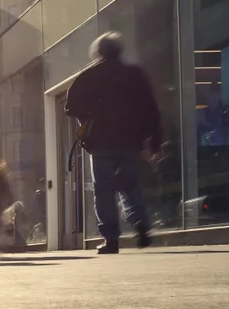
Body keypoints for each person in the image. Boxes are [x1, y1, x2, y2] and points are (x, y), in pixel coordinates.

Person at [65, 32, 163, 254]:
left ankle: (111, 239)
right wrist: (154, 140)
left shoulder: (90, 75)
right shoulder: (135, 75)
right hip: (130, 141)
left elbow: (70, 106)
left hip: (100, 142)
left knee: (104, 189)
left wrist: (90, 116)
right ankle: (140, 223)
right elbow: (152, 109)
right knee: (130, 184)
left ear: (99, 52)